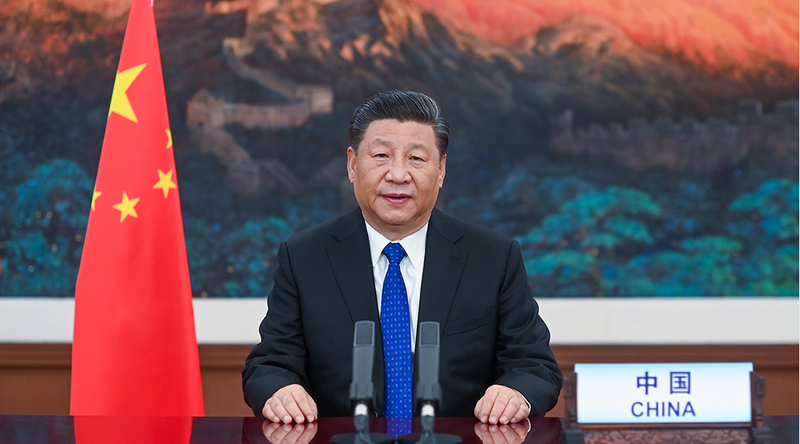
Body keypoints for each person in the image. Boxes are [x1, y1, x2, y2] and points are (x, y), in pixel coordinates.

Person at [242, 90, 562, 426]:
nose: (398, 174)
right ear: (352, 165)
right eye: (381, 155)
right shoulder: (305, 257)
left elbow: (534, 366)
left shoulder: (492, 258)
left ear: (441, 170)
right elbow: (269, 365)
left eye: (416, 159)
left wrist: (514, 392)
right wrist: (281, 390)